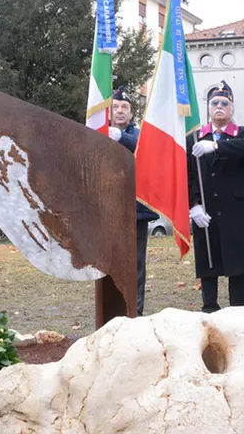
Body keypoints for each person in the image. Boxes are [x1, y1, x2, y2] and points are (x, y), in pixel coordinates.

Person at [187, 80, 244, 313]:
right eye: (214, 103)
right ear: (208, 108)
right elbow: (189, 174)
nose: (219, 106)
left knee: (237, 263)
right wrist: (194, 205)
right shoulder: (193, 137)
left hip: (235, 209)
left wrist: (216, 147)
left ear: (232, 108)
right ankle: (209, 308)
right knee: (209, 261)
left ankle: (240, 311)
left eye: (224, 103)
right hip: (207, 208)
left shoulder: (243, 133)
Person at [107, 86, 159, 316]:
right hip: (107, 210)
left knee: (136, 263)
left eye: (124, 107)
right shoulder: (100, 133)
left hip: (134, 211)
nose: (120, 111)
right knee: (109, 261)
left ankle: (135, 310)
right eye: (116, 107)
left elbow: (146, 151)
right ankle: (111, 307)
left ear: (131, 113)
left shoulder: (138, 135)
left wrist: (122, 138)